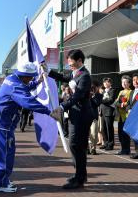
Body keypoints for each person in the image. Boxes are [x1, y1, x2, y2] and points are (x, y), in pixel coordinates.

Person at [0, 61, 59, 193]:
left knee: (7, 151)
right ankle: (0, 183)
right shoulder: (16, 86)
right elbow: (28, 102)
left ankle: (3, 179)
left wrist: (38, 81)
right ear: (24, 75)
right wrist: (50, 111)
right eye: (31, 76)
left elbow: (25, 87)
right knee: (3, 153)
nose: (32, 78)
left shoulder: (13, 79)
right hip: (2, 124)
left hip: (3, 123)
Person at [45, 49, 93, 189]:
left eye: (72, 63)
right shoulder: (74, 73)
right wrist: (48, 72)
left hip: (83, 115)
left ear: (80, 61)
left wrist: (61, 106)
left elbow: (77, 96)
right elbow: (64, 77)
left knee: (77, 145)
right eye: (69, 63)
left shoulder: (84, 76)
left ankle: (80, 178)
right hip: (74, 114)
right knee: (75, 145)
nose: (70, 65)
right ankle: (80, 175)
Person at [115, 75, 132, 155]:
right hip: (120, 116)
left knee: (125, 134)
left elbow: (129, 102)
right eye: (122, 82)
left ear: (129, 83)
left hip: (126, 115)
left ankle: (127, 149)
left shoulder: (131, 92)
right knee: (120, 133)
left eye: (125, 82)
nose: (124, 83)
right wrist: (121, 104)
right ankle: (123, 149)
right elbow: (116, 102)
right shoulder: (120, 92)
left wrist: (123, 104)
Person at [99, 77, 116, 150]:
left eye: (107, 82)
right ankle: (105, 143)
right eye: (104, 82)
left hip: (109, 111)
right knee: (103, 128)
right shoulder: (102, 91)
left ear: (110, 83)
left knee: (109, 128)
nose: (105, 83)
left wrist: (101, 100)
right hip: (102, 111)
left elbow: (111, 100)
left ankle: (110, 144)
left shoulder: (112, 90)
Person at [88, 80, 103, 155]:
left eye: (95, 87)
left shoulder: (99, 95)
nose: (93, 88)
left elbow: (96, 103)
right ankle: (87, 148)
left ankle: (93, 148)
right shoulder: (85, 93)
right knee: (86, 134)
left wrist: (93, 95)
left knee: (94, 133)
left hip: (94, 117)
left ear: (97, 88)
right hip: (85, 117)